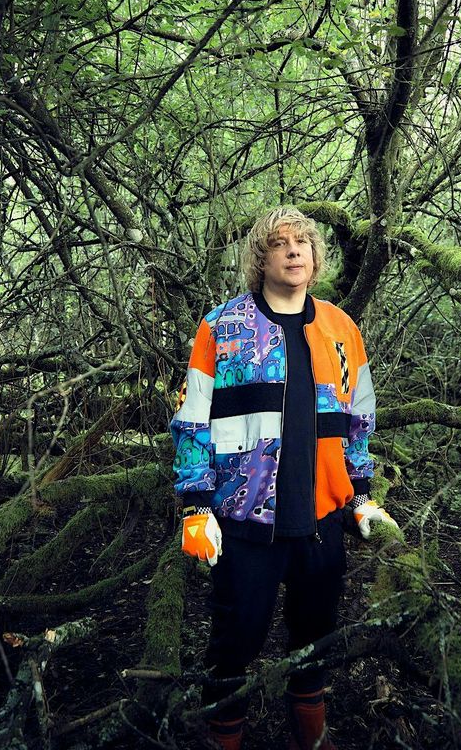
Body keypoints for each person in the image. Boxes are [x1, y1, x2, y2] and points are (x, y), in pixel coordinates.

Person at [170, 205, 397, 750]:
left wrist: (360, 496)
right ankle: (224, 736)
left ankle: (309, 736)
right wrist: (196, 505)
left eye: (303, 242)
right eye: (280, 243)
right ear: (260, 258)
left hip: (321, 520)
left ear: (315, 257)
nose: (294, 251)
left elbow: (358, 418)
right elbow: (192, 417)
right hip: (244, 522)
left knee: (316, 638)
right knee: (234, 643)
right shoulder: (221, 326)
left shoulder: (342, 329)